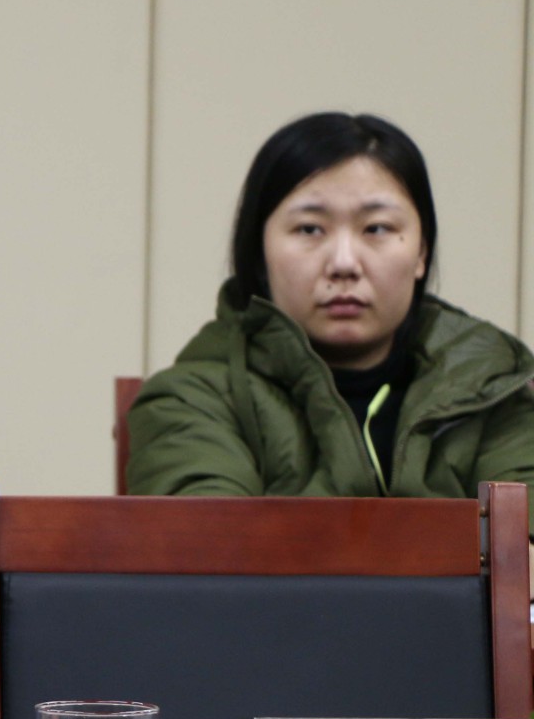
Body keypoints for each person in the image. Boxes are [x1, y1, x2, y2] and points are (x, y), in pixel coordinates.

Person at [127, 112, 534, 500]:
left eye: (376, 228)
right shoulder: (192, 400)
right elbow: (208, 545)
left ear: (422, 252)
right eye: (310, 229)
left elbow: (524, 537)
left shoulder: (494, 388)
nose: (343, 263)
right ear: (259, 254)